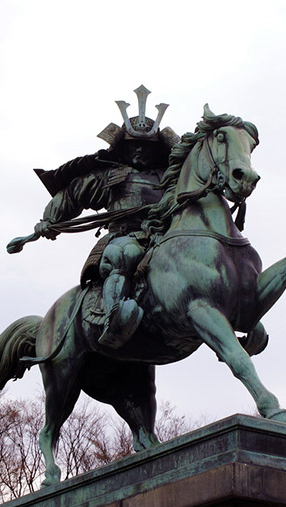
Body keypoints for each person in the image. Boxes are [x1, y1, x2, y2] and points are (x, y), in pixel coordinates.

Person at [32, 86, 179, 348]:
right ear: (123, 148)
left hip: (162, 237)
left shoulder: (168, 178)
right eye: (134, 147)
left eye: (146, 148)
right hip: (124, 237)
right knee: (125, 255)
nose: (139, 152)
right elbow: (74, 194)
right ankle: (114, 321)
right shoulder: (110, 176)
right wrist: (50, 218)